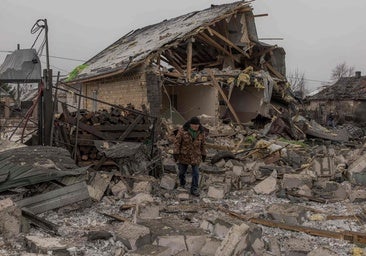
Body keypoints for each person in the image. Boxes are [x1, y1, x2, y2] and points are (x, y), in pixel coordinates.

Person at [173, 116, 206, 196]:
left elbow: (203, 144)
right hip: (184, 156)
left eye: (197, 125)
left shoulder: (201, 133)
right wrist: (176, 153)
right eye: (194, 125)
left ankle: (194, 188)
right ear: (190, 125)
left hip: (195, 156)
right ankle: (182, 183)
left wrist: (204, 153)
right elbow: (177, 143)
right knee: (181, 173)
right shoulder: (182, 131)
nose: (196, 126)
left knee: (196, 173)